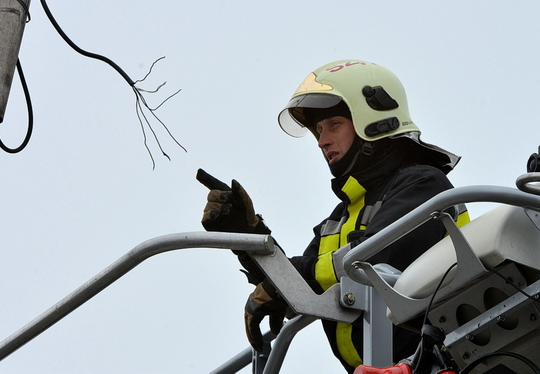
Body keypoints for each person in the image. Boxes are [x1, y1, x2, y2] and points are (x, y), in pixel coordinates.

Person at [199, 59, 469, 373]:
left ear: (375, 121)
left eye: (334, 125)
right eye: (318, 130)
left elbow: (367, 259)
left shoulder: (424, 184)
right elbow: (296, 285)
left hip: (442, 362)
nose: (322, 140)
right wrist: (246, 235)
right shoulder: (338, 220)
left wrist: (288, 278)